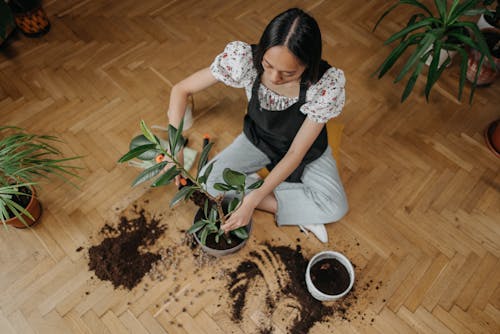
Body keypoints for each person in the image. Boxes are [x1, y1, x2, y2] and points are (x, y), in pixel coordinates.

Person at [167, 8, 348, 243]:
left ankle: (276, 200)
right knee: (207, 181)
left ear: (307, 65)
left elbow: (295, 153)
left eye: (288, 73)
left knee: (336, 206)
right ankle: (299, 208)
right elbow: (181, 90)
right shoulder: (244, 61)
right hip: (258, 139)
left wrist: (251, 200)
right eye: (268, 64)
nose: (274, 78)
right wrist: (175, 151)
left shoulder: (323, 86)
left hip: (305, 151)